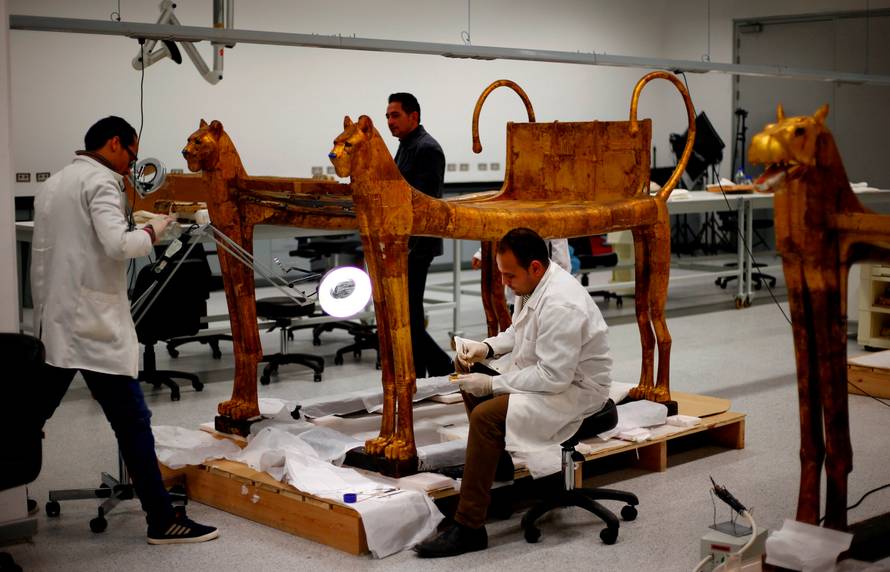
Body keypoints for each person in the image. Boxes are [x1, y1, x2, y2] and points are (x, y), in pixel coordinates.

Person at [30, 116, 219, 545]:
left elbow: (82, 237)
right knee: (133, 421)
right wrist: (156, 227)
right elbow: (121, 246)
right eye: (132, 154)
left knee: (28, 418)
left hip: (59, 321)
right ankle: (162, 519)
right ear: (116, 143)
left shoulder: (56, 182)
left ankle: (9, 504)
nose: (132, 164)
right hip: (93, 326)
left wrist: (134, 216)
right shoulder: (101, 183)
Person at [414, 228, 612, 558]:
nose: (505, 282)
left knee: (485, 416)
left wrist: (492, 385)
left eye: (510, 275)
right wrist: (486, 348)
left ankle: (470, 526)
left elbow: (553, 378)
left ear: (535, 266)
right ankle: (496, 467)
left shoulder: (562, 304)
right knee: (466, 367)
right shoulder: (533, 285)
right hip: (549, 376)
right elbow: (517, 333)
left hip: (575, 392)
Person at [386, 92, 454, 378]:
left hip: (417, 244)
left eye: (395, 115)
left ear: (414, 116)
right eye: (388, 116)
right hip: (403, 243)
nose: (390, 121)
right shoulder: (406, 145)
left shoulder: (427, 148)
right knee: (407, 314)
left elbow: (422, 201)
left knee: (409, 317)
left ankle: (443, 366)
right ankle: (419, 373)